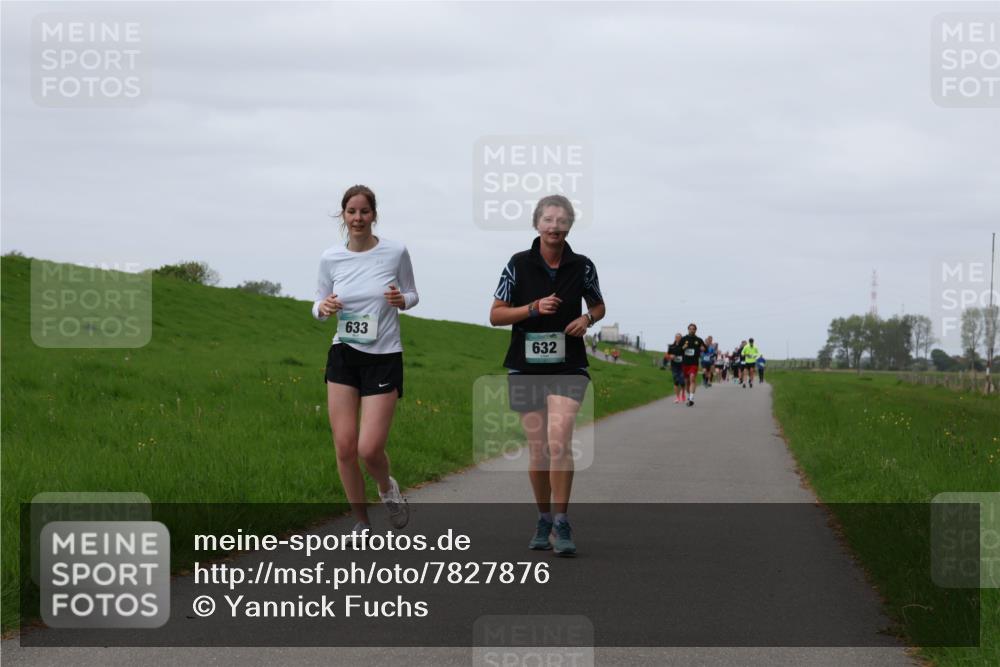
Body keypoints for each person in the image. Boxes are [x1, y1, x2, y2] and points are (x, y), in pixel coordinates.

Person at [490, 194, 605, 556]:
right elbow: (496, 314)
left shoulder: (583, 265)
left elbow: (598, 305)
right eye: (548, 220)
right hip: (525, 367)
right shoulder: (518, 264)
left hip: (569, 365)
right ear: (537, 224)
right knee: (539, 449)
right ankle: (543, 517)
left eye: (561, 221)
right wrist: (533, 308)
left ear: (570, 225)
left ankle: (561, 521)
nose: (554, 227)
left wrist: (587, 319)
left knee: (559, 439)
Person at [313, 185, 418, 538]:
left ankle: (387, 488)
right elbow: (318, 303)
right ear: (343, 215)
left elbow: (413, 294)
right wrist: (323, 308)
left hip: (384, 356)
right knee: (344, 445)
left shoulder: (395, 252)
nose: (358, 218)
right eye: (351, 212)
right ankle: (361, 522)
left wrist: (401, 299)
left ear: (374, 215)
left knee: (369, 448)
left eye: (364, 211)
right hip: (343, 354)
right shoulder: (331, 257)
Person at [679, 323, 706, 406]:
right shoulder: (683, 339)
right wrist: (683, 347)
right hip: (685, 363)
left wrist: (703, 348)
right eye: (690, 329)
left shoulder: (699, 340)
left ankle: (691, 398)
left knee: (692, 379)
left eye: (693, 329)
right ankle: (689, 395)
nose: (692, 330)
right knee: (687, 382)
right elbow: (678, 350)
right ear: (688, 329)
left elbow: (705, 349)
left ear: (695, 330)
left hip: (694, 363)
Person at [667, 333, 686, 404]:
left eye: (679, 337)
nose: (678, 338)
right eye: (676, 337)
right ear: (675, 338)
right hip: (674, 366)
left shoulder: (684, 346)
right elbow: (667, 355)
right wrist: (670, 356)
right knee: (676, 381)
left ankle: (683, 393)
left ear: (681, 338)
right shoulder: (671, 346)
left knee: (682, 381)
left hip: (682, 365)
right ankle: (677, 397)